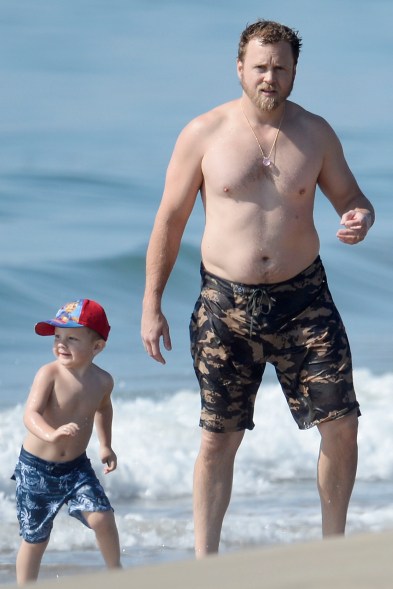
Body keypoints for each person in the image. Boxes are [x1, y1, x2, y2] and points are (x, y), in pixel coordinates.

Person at [141, 19, 375, 557]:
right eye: (260, 66)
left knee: (342, 426)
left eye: (280, 67)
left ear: (295, 73)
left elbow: (353, 199)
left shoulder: (316, 133)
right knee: (218, 439)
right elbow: (169, 223)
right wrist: (151, 305)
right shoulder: (203, 133)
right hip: (226, 305)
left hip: (306, 301)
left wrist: (359, 217)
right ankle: (206, 563)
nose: (270, 76)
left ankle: (332, 554)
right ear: (240, 68)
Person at [12, 299, 121, 584]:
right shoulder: (49, 373)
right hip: (36, 469)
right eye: (58, 336)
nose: (61, 343)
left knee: (103, 518)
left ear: (97, 347)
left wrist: (106, 444)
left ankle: (118, 574)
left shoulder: (103, 381)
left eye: (72, 338)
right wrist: (51, 433)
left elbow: (103, 408)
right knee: (36, 538)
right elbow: (30, 414)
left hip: (76, 468)